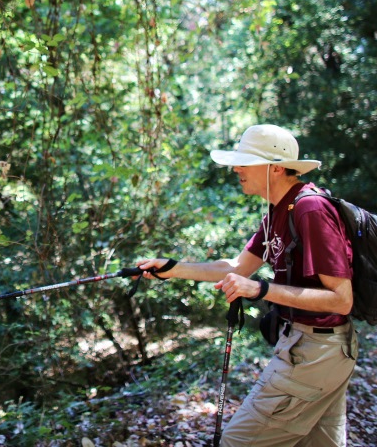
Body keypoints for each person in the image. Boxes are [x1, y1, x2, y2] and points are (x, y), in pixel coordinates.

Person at [137, 124, 358, 447]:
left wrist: (260, 289)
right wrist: (172, 269)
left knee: (237, 442)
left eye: (245, 161)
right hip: (315, 348)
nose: (236, 168)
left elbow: (341, 300)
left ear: (277, 168)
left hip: (317, 352)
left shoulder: (310, 209)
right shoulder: (277, 212)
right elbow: (237, 267)